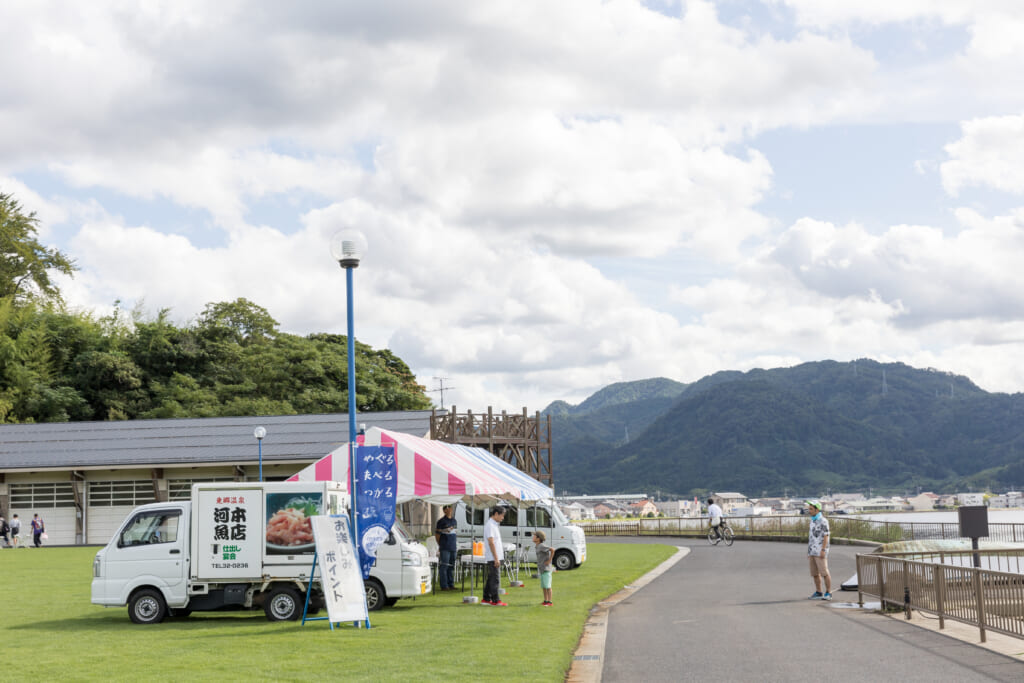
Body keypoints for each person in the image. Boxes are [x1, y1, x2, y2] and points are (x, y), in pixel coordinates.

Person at [805, 500, 832, 601]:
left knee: (824, 572)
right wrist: (808, 551)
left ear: (817, 509)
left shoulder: (823, 521)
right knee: (815, 573)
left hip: (820, 550)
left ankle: (828, 592)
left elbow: (826, 536)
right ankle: (818, 591)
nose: (809, 511)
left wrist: (823, 549)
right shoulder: (812, 520)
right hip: (812, 550)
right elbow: (811, 537)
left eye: (811, 509)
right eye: (809, 509)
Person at [482, 506, 507, 606]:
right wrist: (496, 558)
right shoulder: (490, 525)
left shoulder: (494, 524)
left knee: (491, 578)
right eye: (502, 515)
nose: (503, 518)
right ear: (496, 514)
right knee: (495, 579)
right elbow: (491, 542)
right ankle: (495, 600)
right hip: (493, 557)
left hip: (495, 556)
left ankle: (486, 598)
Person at [434, 504, 458, 591]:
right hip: (445, 546)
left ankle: (451, 584)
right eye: (446, 509)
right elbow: (437, 535)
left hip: (453, 546)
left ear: (451, 509)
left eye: (449, 508)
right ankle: (444, 585)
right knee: (444, 566)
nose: (448, 510)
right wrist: (440, 544)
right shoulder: (441, 521)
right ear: (444, 510)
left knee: (451, 566)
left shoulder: (454, 520)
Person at [533, 530, 554, 606]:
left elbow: (552, 549)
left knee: (548, 586)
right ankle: (545, 600)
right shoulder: (537, 546)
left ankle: (550, 602)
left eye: (534, 536)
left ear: (538, 538)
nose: (533, 537)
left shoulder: (542, 546)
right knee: (544, 586)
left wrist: (549, 560)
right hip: (542, 569)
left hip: (546, 569)